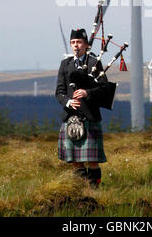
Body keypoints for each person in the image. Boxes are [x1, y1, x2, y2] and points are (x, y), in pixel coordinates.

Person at [55, 28, 109, 187]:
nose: (75, 45)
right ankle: (80, 192)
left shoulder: (94, 63)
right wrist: (68, 102)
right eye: (73, 42)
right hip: (70, 117)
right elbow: (59, 92)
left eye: (79, 42)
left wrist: (87, 93)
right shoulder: (65, 64)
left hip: (90, 116)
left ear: (86, 45)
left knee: (92, 160)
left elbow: (105, 89)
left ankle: (94, 191)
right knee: (76, 162)